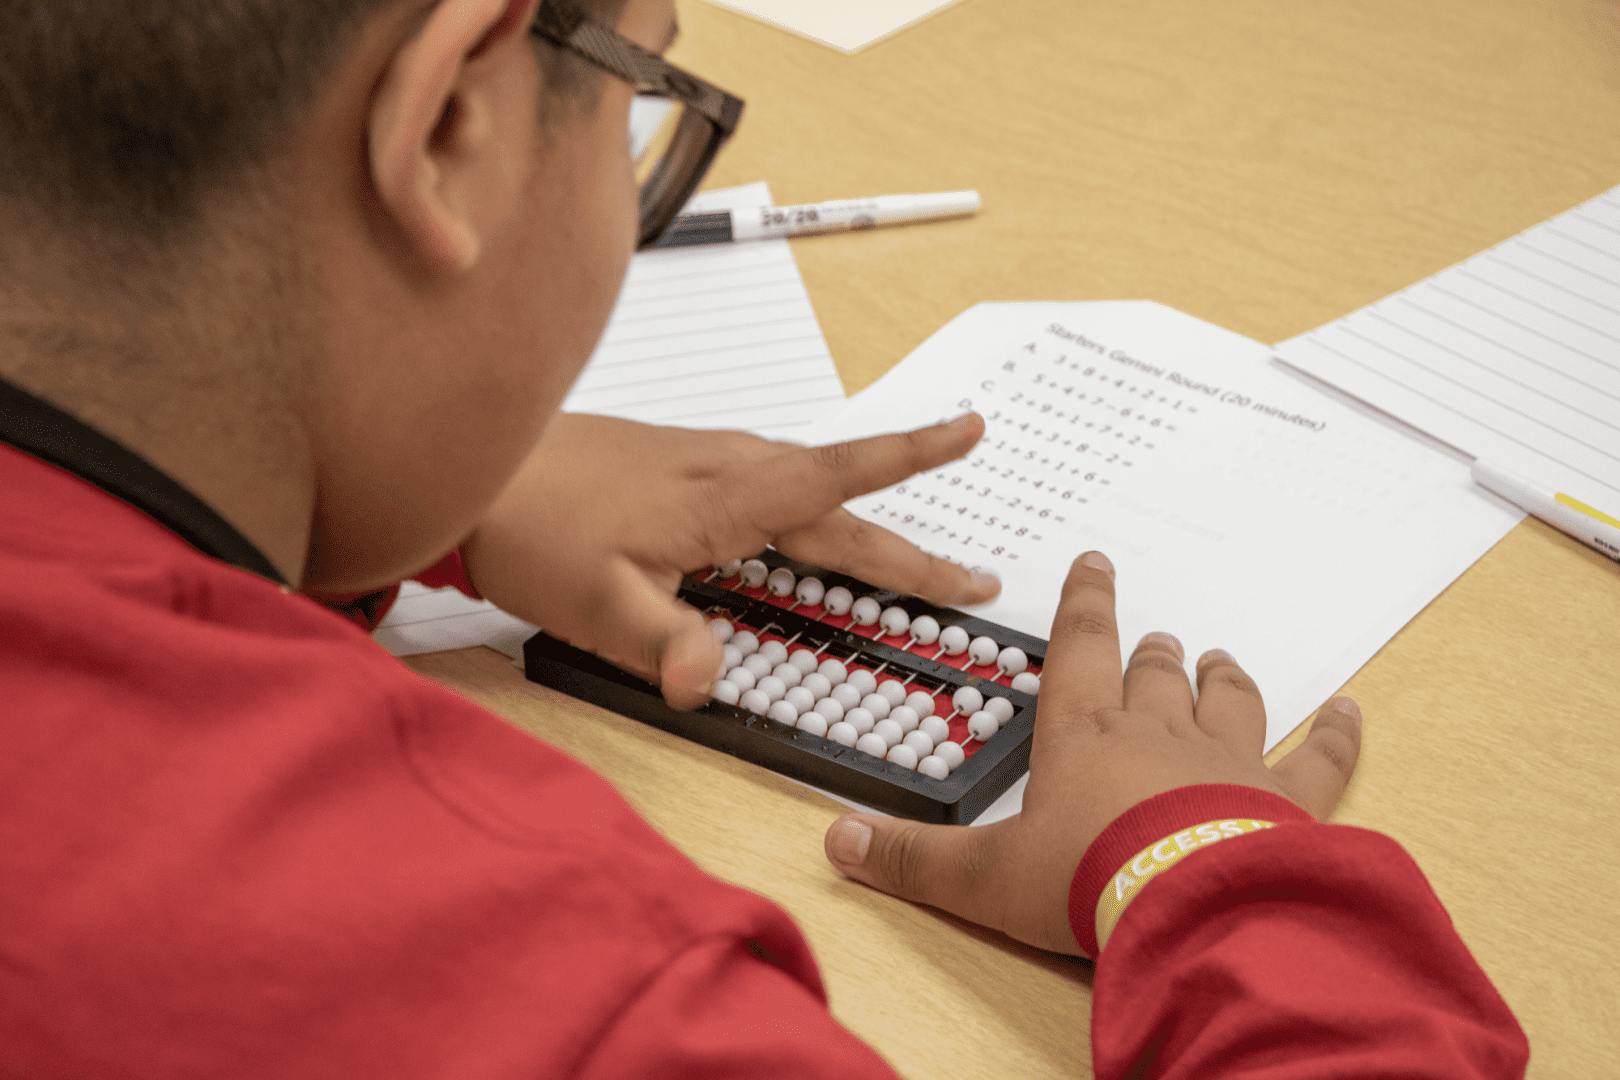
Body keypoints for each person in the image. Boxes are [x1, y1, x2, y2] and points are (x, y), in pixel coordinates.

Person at [0, 0, 1527, 1075]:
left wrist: (391, 479)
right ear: (452, 117)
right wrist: (1218, 876)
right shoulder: (575, 1004)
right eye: (646, 102)